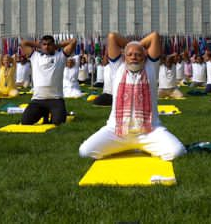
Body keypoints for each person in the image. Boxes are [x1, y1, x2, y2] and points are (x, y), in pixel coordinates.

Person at [78, 31, 184, 161]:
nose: (134, 57)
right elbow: (112, 36)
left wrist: (135, 45)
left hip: (149, 131)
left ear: (144, 56)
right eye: (130, 54)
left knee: (177, 152)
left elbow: (155, 36)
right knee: (85, 151)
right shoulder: (117, 67)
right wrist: (134, 46)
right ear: (124, 57)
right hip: (117, 131)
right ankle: (128, 146)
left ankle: (140, 146)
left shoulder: (151, 67)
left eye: (138, 54)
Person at [20, 35, 76, 125]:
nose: (46, 46)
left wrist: (56, 46)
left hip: (55, 99)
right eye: (44, 44)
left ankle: (53, 113)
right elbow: (23, 43)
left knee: (58, 123)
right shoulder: (35, 56)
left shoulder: (60, 56)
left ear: (53, 45)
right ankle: (44, 113)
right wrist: (39, 45)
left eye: (49, 44)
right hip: (38, 100)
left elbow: (73, 41)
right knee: (25, 122)